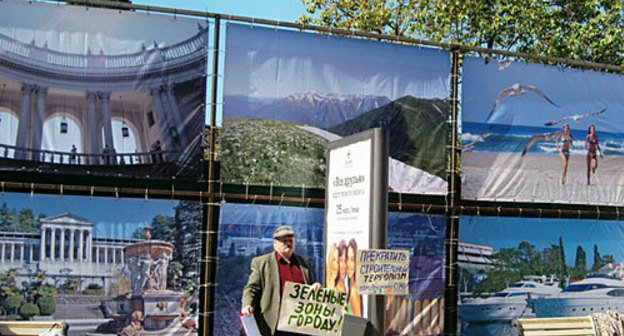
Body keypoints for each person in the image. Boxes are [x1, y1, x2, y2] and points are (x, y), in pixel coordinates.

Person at [241, 225, 320, 336]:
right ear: (275, 243)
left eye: (290, 240)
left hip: (299, 325)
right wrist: (247, 305)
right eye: (284, 241)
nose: (288, 243)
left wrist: (315, 286)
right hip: (273, 325)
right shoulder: (261, 263)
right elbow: (251, 288)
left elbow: (311, 284)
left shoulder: (304, 263)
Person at [346, 239, 362, 317]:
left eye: (352, 259)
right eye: (347, 258)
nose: (349, 264)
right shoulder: (351, 287)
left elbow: (358, 323)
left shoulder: (355, 291)